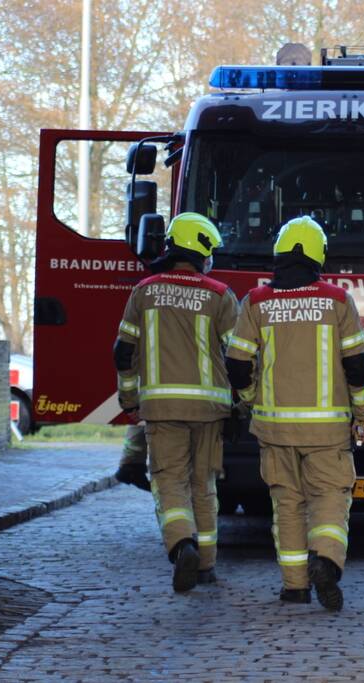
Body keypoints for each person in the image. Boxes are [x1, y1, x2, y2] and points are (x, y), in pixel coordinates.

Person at [226, 216, 364, 611]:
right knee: (330, 497)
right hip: (328, 430)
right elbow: (358, 365)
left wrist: (250, 397)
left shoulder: (256, 302)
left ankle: (294, 587)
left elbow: (237, 363)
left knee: (287, 503)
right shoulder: (338, 300)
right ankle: (325, 559)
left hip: (274, 428)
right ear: (318, 256)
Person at [113, 212, 240, 592]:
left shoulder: (144, 292)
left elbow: (123, 351)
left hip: (161, 409)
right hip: (210, 410)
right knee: (203, 484)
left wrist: (129, 396)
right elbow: (239, 357)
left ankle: (181, 542)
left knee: (169, 481)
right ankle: (206, 566)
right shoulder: (219, 295)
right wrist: (242, 404)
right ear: (201, 250)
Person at [114, 424, 150, 491]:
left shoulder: (135, 428)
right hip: (132, 464)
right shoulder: (135, 428)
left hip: (132, 464)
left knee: (148, 487)